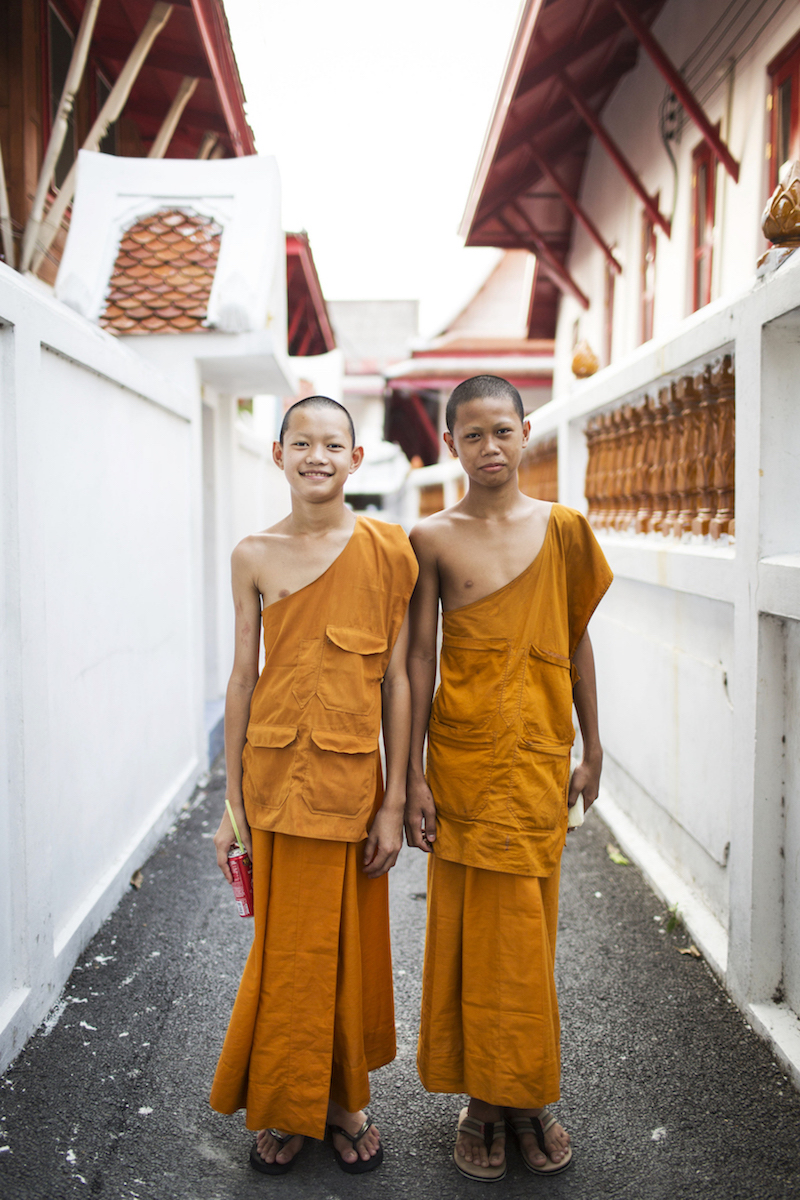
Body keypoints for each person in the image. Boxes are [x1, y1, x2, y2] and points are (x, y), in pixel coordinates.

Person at [405, 375, 612, 1181]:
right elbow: (420, 659)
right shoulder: (432, 539)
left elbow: (578, 641)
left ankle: (526, 1097)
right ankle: (484, 1105)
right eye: (472, 435)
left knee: (529, 935)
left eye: (503, 431)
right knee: (469, 936)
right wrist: (414, 776)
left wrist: (595, 747)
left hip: (535, 763)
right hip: (461, 762)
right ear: (450, 445)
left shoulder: (564, 530)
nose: (489, 447)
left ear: (527, 434)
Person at [210, 396, 418, 1176]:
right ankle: (284, 1099)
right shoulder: (253, 554)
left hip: (351, 784)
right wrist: (230, 805)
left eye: (334, 444)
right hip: (272, 780)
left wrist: (396, 800)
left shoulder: (390, 550)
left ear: (356, 459)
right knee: (286, 951)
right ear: (278, 453)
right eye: (303, 443)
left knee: (347, 949)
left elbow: (398, 679)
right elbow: (241, 678)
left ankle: (341, 1100)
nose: (318, 457)